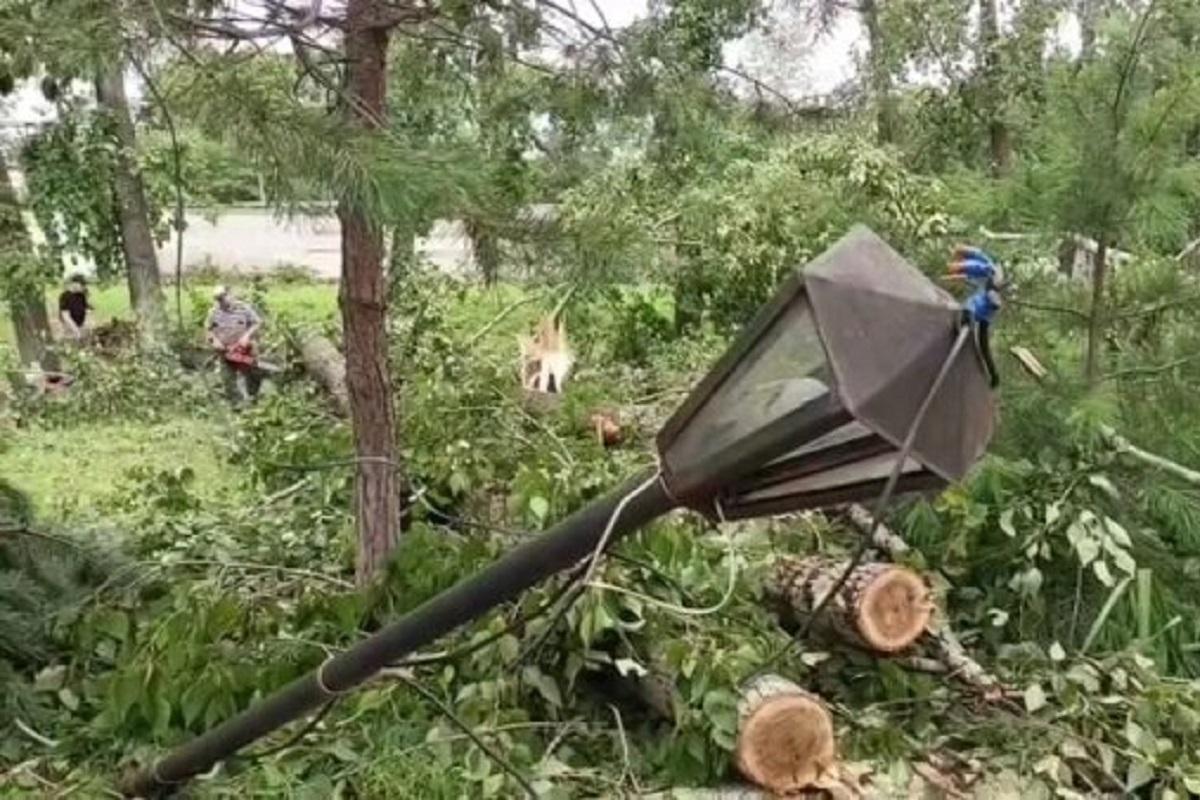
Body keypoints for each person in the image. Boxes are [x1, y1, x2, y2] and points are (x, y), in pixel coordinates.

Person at [947, 245, 1002, 389]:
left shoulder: (982, 265)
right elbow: (966, 275)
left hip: (986, 304)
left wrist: (956, 270)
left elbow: (968, 269)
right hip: (989, 308)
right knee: (984, 345)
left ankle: (967, 319)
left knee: (970, 306)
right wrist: (953, 276)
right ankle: (994, 375)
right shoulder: (984, 264)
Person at [206, 285, 264, 405]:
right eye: (218, 299)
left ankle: (253, 399)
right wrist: (215, 341)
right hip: (225, 350)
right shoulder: (214, 311)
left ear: (229, 295)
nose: (221, 301)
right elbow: (208, 329)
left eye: (223, 298)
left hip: (244, 348)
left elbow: (257, 322)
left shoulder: (243, 308)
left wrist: (246, 336)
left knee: (253, 374)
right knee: (228, 380)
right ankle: (236, 405)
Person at [58, 274, 92, 340]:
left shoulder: (81, 296)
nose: (84, 287)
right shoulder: (65, 296)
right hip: (70, 330)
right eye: (82, 285)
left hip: (80, 328)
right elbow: (65, 316)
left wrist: (86, 326)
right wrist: (76, 330)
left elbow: (85, 309)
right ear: (75, 284)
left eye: (84, 285)